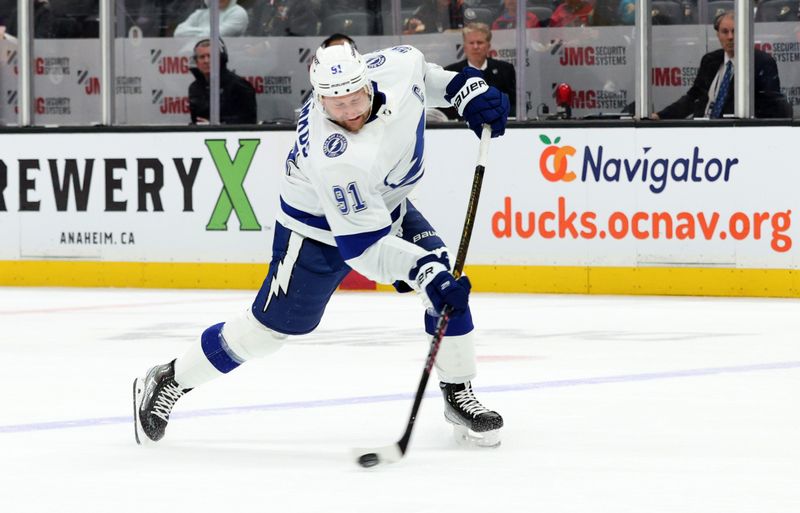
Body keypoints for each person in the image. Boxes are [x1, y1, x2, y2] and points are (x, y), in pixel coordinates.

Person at [133, 41, 509, 449]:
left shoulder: (398, 63)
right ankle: (170, 378)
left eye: (353, 98)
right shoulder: (334, 156)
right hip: (315, 229)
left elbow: (426, 81)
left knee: (447, 291)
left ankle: (458, 392)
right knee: (267, 332)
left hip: (386, 203)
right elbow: (365, 249)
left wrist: (466, 91)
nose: (347, 111)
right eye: (334, 104)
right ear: (319, 98)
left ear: (368, 81)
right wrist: (423, 272)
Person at [651, 11, 790, 119]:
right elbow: (692, 99)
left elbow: (771, 108)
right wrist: (661, 116)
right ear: (718, 35)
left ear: (745, 33)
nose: (730, 37)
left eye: (735, 31)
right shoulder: (710, 60)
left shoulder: (761, 62)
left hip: (735, 134)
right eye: (725, 32)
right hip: (702, 129)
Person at [442, 23, 516, 119]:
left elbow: (514, 104)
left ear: (488, 46)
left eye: (480, 42)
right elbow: (445, 110)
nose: (475, 47)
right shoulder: (451, 72)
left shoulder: (505, 69)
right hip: (461, 129)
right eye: (471, 43)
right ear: (464, 47)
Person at [187, 38, 257, 124]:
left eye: (211, 56)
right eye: (202, 57)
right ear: (196, 62)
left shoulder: (239, 86)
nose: (206, 61)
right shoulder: (194, 88)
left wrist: (218, 124)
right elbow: (196, 120)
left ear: (221, 59)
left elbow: (249, 120)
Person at [173, 0, 248, 37]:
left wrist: (190, 33)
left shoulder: (238, 13)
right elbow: (178, 33)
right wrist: (206, 32)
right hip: (192, 57)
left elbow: (214, 36)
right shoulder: (200, 14)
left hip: (225, 60)